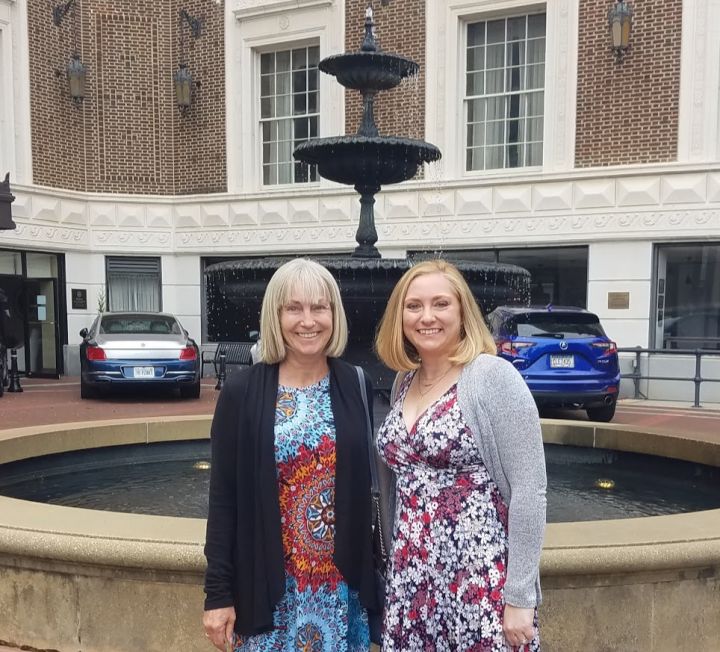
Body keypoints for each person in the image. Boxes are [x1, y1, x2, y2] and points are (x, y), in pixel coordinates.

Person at [203, 258, 381, 652]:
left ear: (334, 314)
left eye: (319, 307)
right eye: (294, 308)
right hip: (270, 587)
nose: (308, 321)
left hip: (340, 588)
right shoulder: (241, 391)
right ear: (275, 315)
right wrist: (217, 594)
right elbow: (223, 499)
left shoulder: (356, 383)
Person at [374, 259, 546, 651]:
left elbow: (530, 489)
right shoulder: (404, 381)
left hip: (478, 581)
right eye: (414, 306)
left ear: (462, 311)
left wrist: (520, 597)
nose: (426, 317)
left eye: (441, 304)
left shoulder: (491, 376)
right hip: (412, 581)